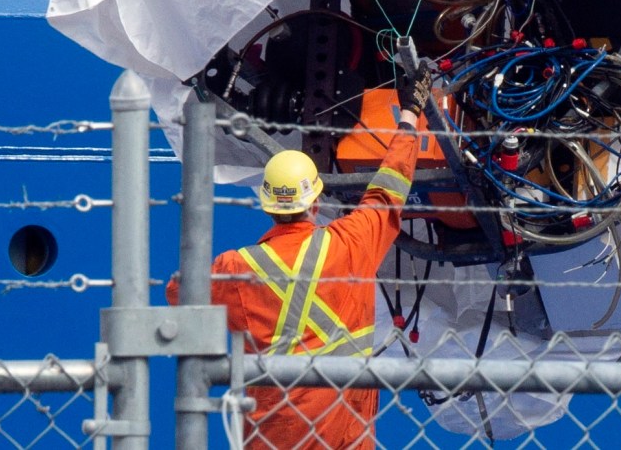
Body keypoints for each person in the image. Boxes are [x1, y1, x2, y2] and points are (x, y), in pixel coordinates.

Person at [167, 63, 433, 449]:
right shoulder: (351, 244)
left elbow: (177, 293)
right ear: (315, 202)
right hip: (345, 435)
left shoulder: (239, 270)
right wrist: (409, 114)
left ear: (269, 206)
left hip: (275, 438)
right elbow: (388, 190)